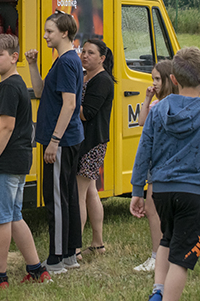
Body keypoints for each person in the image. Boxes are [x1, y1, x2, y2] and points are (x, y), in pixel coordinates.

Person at [130, 47, 200, 301]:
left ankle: (158, 291)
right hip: (192, 193)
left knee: (167, 239)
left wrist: (136, 191)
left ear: (172, 79)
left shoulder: (157, 111)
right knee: (182, 257)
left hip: (161, 192)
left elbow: (143, 153)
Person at [0, 34, 52, 289]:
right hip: (20, 159)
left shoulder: (9, 86)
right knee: (14, 216)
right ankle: (36, 270)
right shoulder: (17, 83)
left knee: (0, 219)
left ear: (14, 57)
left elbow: (6, 127)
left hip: (7, 162)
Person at [25, 11, 84, 274]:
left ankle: (57, 257)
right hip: (63, 140)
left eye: (50, 31)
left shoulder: (68, 62)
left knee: (56, 199)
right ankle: (70, 253)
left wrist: (54, 141)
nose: (45, 35)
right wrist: (33, 66)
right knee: (67, 195)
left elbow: (70, 104)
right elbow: (39, 93)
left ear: (64, 33)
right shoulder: (61, 61)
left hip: (62, 141)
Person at [134, 59, 178, 272]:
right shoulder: (156, 104)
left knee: (154, 210)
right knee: (157, 210)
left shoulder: (169, 106)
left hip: (161, 164)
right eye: (153, 79)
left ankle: (158, 256)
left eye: (158, 79)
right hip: (160, 164)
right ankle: (163, 254)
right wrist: (147, 97)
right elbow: (141, 122)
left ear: (171, 79)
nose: (154, 83)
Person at [75, 39, 115, 259]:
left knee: (79, 194)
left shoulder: (102, 80)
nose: (85, 55)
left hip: (93, 142)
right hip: (85, 141)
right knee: (90, 191)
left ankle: (75, 248)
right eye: (83, 51)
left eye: (91, 52)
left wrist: (67, 103)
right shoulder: (84, 77)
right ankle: (98, 244)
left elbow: (86, 113)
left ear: (102, 58)